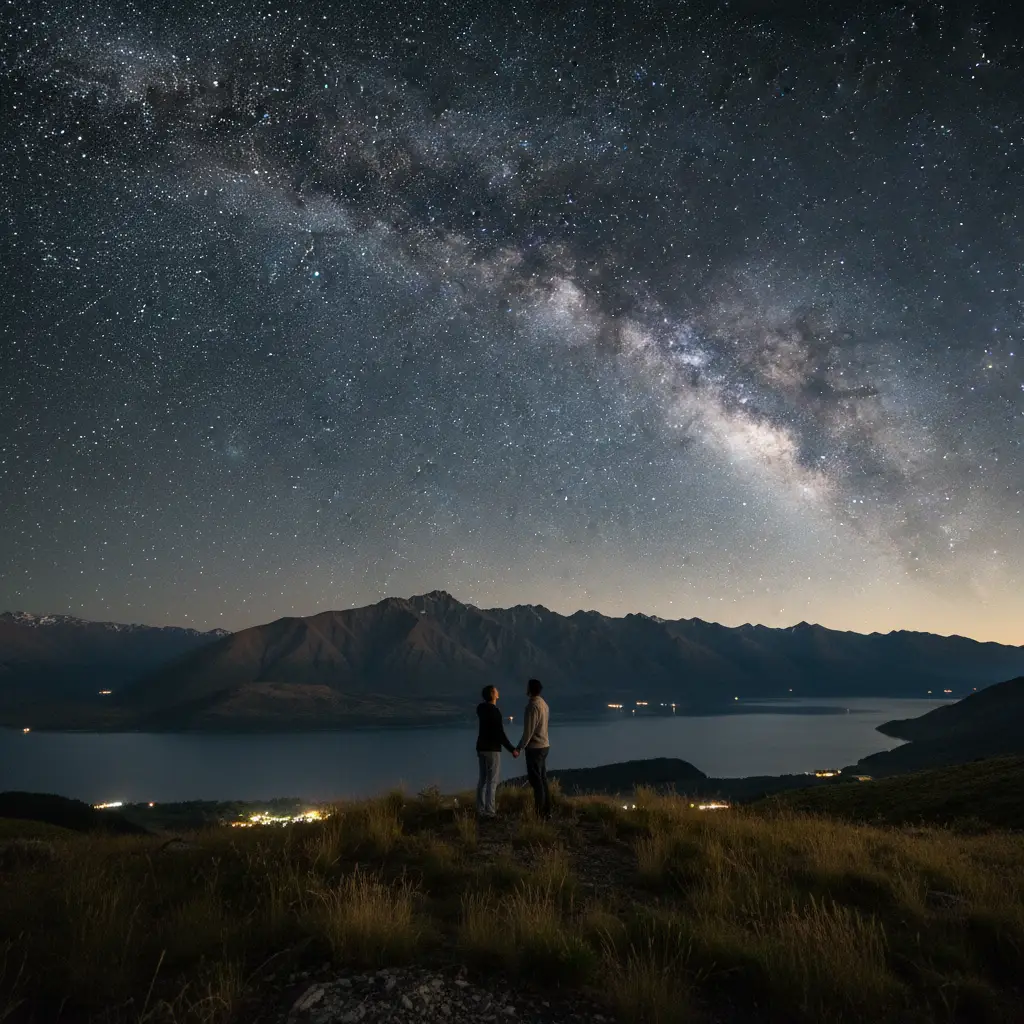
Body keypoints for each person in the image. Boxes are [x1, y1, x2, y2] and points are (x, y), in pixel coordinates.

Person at [476, 684, 518, 818]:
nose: (498, 691)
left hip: (481, 747)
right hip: (492, 749)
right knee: (492, 781)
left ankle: (480, 809)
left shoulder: (481, 709)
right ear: (493, 694)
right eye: (496, 690)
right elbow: (500, 734)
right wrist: (512, 749)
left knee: (482, 780)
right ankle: (490, 810)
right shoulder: (495, 712)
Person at [514, 678, 551, 818]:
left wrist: (519, 748)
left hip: (535, 748)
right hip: (544, 745)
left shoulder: (532, 706)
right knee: (543, 779)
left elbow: (528, 731)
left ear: (530, 689)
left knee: (536, 781)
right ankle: (547, 811)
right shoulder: (544, 704)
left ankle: (540, 813)